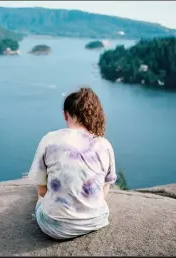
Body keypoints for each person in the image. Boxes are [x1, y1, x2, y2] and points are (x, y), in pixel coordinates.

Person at [28, 87, 117, 240]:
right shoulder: (104, 144)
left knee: (37, 198)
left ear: (65, 114)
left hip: (54, 227)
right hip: (97, 220)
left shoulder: (50, 139)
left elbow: (42, 191)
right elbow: (106, 184)